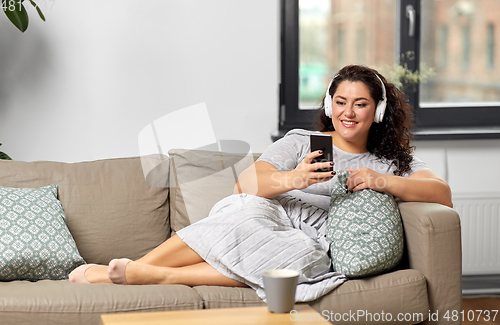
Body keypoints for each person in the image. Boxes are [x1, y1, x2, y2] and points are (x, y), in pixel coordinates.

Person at [69, 65, 452, 302]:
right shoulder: (302, 140)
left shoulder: (388, 162)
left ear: (378, 110)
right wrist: (295, 177)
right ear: (328, 104)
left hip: (312, 238)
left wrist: (380, 180)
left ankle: (148, 274)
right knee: (241, 210)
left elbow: (440, 192)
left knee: (299, 256)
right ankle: (141, 269)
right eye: (340, 101)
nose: (347, 112)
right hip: (272, 214)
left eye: (360, 103)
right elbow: (246, 183)